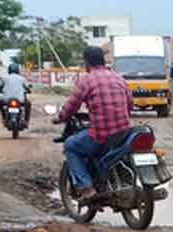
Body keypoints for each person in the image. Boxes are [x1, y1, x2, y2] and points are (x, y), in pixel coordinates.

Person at [55, 46, 133, 201]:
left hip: (101, 135)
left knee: (70, 145)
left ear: (86, 62)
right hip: (123, 133)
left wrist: (61, 117)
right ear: (103, 60)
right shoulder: (119, 78)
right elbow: (130, 104)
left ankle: (87, 187)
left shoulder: (86, 80)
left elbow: (72, 105)